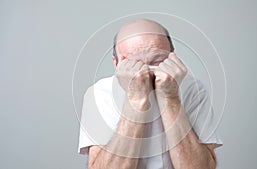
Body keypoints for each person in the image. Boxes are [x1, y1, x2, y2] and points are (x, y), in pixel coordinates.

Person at [78, 19, 222, 169]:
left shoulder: (193, 89)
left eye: (158, 60)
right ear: (116, 63)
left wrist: (170, 98)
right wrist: (135, 101)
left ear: (173, 57)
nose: (145, 71)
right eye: (134, 63)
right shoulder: (99, 94)